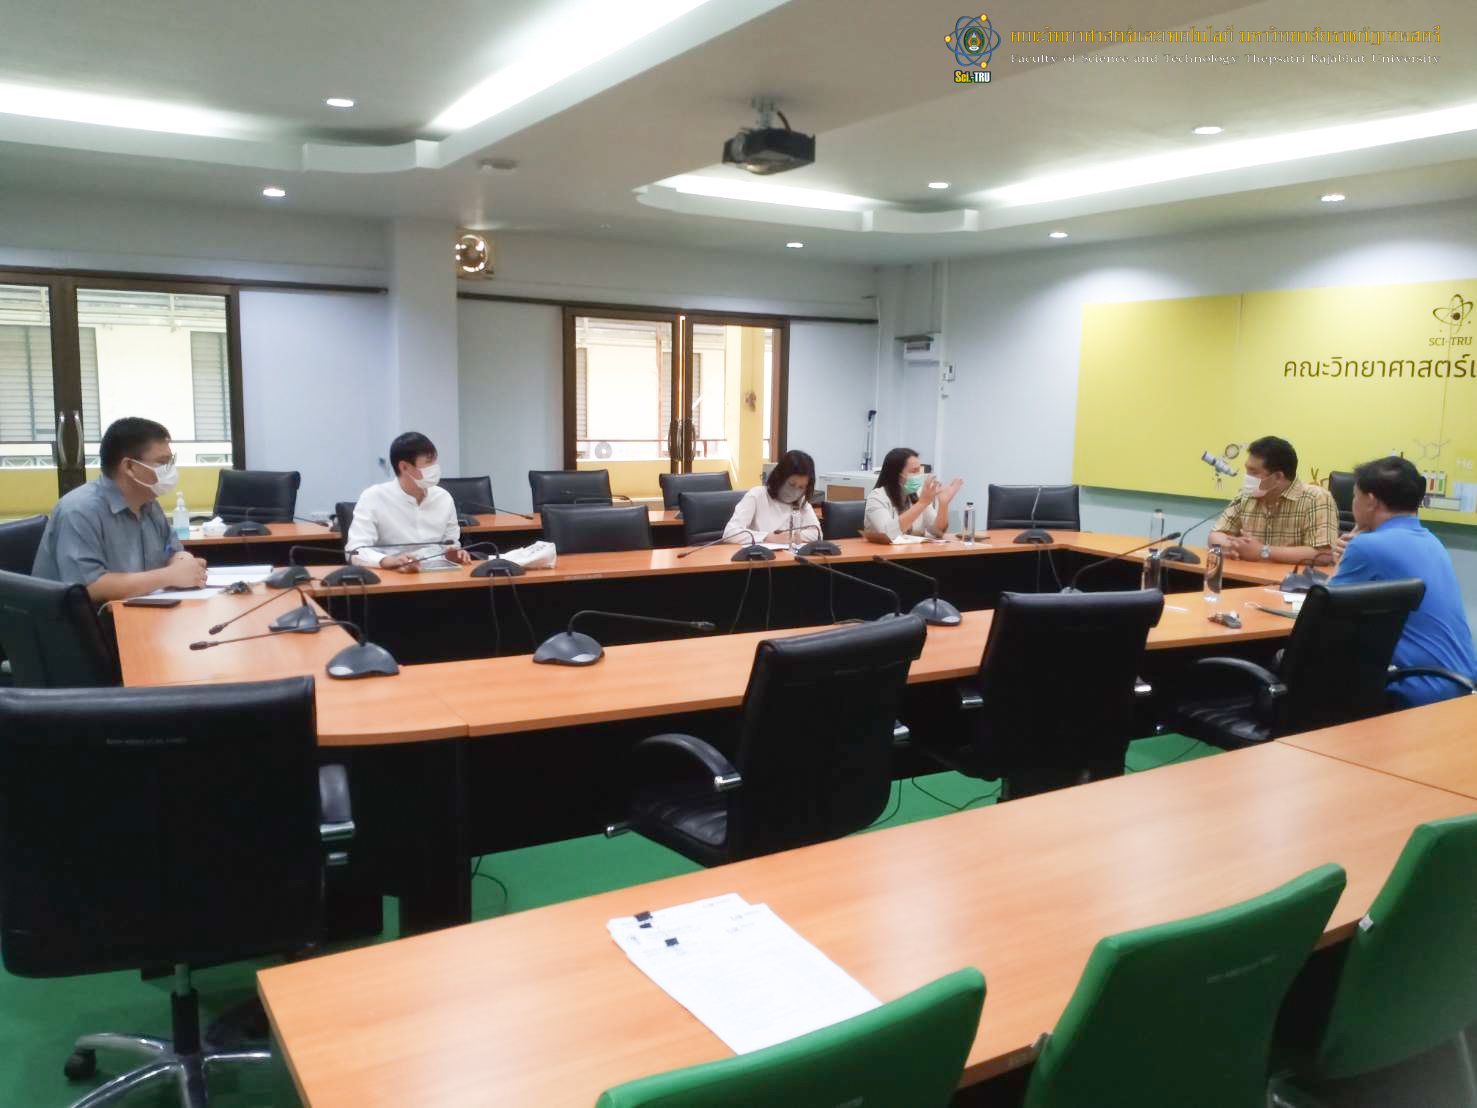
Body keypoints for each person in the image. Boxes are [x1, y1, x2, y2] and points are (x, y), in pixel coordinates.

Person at [1330, 455, 1477, 707]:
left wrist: (1340, 561)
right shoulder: (1431, 541)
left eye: (1355, 497)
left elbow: (1325, 611)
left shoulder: (1367, 546)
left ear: (1371, 501)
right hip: (1461, 681)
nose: (1353, 503)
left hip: (1415, 687)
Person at [31, 417, 207, 601]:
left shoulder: (148, 503)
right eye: (163, 462)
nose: (170, 470)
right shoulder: (78, 510)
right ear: (129, 467)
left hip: (139, 609)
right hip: (85, 617)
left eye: (171, 462)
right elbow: (90, 586)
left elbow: (173, 550)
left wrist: (184, 562)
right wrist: (169, 576)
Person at [346, 432, 471, 572]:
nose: (435, 467)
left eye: (435, 461)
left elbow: (451, 544)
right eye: (428, 462)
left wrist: (454, 554)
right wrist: (388, 561)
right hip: (393, 574)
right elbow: (355, 551)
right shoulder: (373, 497)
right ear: (404, 467)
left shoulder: (443, 497)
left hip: (437, 573)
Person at [1207, 435, 1338, 565]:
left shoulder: (1316, 498)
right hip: (1247, 574)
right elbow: (1215, 535)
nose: (1247, 477)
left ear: (1278, 477)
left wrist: (1263, 551)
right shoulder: (1246, 495)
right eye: (1247, 470)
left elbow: (1323, 555)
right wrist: (1231, 547)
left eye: (1253, 472)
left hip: (1292, 577)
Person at [722, 450, 822, 544]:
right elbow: (730, 533)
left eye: (801, 487)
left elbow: (817, 534)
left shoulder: (801, 501)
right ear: (780, 478)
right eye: (791, 484)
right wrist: (768, 537)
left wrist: (791, 536)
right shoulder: (757, 495)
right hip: (760, 555)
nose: (795, 492)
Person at [865, 447, 962, 540]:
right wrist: (921, 503)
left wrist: (943, 504)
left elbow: (937, 530)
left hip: (912, 550)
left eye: (919, 470)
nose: (919, 475)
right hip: (883, 551)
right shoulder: (877, 497)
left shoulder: (917, 494)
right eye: (914, 471)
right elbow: (888, 533)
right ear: (897, 474)